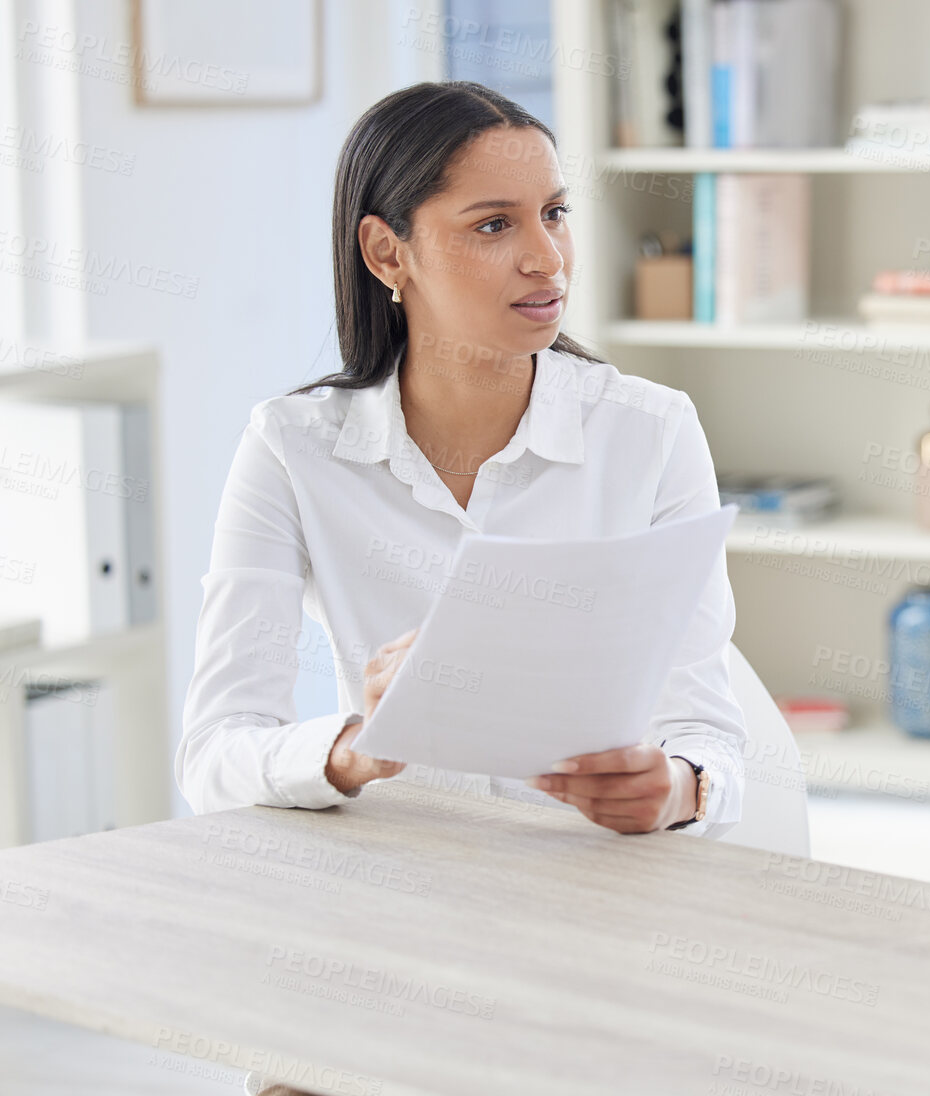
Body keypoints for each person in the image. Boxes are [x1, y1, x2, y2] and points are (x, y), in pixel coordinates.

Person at [176, 82, 745, 838]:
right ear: (387, 252)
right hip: (408, 884)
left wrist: (680, 790)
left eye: (555, 214)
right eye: (494, 226)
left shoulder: (653, 432)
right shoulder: (290, 447)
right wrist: (357, 751)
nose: (547, 259)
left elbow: (709, 731)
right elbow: (214, 754)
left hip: (601, 878)